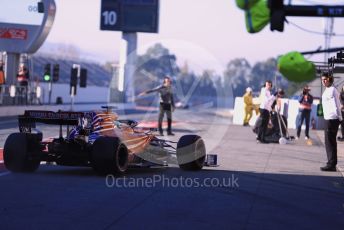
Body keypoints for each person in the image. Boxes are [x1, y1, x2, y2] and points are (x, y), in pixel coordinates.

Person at [320, 72, 343, 172]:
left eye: (325, 79)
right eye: (322, 80)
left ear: (330, 79)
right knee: (329, 141)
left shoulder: (333, 90)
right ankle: (331, 162)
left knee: (330, 142)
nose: (323, 81)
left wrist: (339, 117)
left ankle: (331, 164)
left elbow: (337, 105)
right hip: (328, 118)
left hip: (332, 118)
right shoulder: (327, 90)